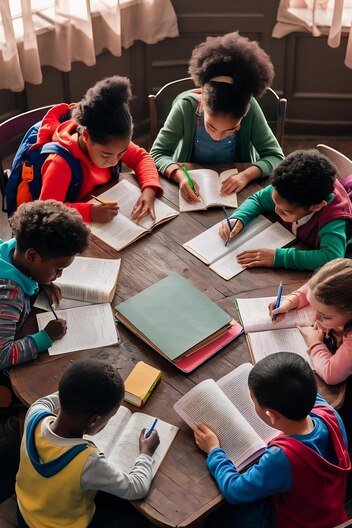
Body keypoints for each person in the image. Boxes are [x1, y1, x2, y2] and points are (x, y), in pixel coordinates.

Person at [193, 352, 350, 528]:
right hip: (331, 515)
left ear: (271, 416)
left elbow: (234, 489)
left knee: (216, 515)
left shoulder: (283, 457)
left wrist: (214, 450)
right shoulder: (328, 413)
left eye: (253, 401)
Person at [15, 358, 160, 528]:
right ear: (94, 420)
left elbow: (47, 401)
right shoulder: (86, 460)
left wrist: (75, 392)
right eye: (110, 418)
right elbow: (136, 488)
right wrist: (145, 453)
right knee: (142, 526)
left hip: (25, 513)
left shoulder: (35, 415)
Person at [150, 31, 284, 202]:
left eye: (230, 130)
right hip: (190, 183)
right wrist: (179, 176)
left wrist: (246, 175)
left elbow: (276, 157)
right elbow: (157, 153)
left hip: (238, 187)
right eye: (211, 126)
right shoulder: (186, 106)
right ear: (201, 105)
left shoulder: (250, 109)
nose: (217, 136)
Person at [32, 76, 162, 224]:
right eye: (106, 155)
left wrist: (149, 190)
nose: (114, 162)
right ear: (86, 136)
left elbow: (141, 158)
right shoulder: (59, 164)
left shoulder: (112, 143)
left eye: (122, 153)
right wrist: (90, 212)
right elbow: (46, 211)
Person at [219, 149, 352, 270]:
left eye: (286, 211)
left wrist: (278, 258)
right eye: (274, 201)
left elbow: (331, 259)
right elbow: (258, 199)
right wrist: (240, 217)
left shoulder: (333, 217)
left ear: (316, 207)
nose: (276, 210)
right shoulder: (286, 186)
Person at [0, 199, 90, 371]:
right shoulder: (8, 295)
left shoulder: (10, 251)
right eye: (57, 269)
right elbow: (2, 355)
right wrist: (45, 337)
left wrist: (41, 281)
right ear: (32, 256)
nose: (60, 275)